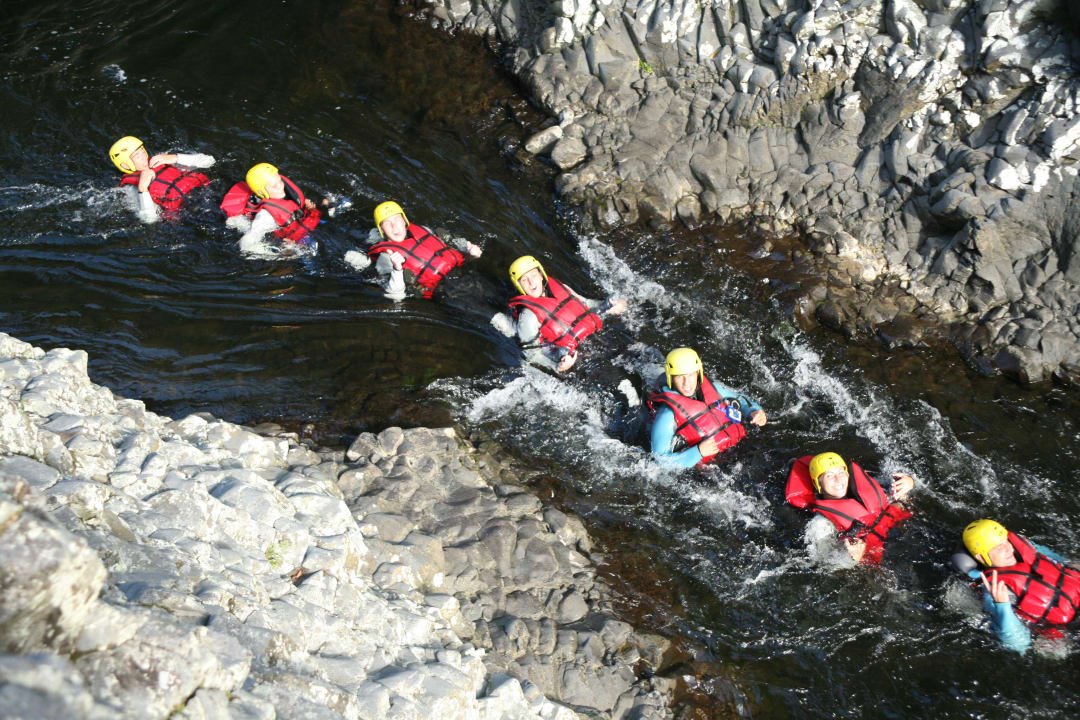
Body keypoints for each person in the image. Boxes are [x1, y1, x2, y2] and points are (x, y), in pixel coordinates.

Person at [953, 519, 1080, 653]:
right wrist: (1002, 605)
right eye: (998, 547)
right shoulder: (995, 590)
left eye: (1005, 541)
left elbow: (1061, 562)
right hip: (1065, 628)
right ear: (981, 557)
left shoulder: (1024, 549)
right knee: (1053, 651)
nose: (1008, 549)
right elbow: (1019, 644)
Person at [785, 452, 914, 564]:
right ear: (818, 484)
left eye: (841, 472)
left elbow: (899, 489)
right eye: (829, 475)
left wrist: (909, 482)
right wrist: (853, 558)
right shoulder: (821, 523)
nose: (838, 479)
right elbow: (823, 560)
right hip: (872, 557)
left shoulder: (867, 486)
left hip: (900, 535)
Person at [647, 347, 766, 468]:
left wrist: (754, 411)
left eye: (691, 375)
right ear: (670, 377)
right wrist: (698, 452)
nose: (686, 383)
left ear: (698, 373)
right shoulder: (667, 415)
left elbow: (742, 400)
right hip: (706, 470)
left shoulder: (713, 388)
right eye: (679, 377)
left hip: (740, 450)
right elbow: (660, 462)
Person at [506, 255, 626, 373]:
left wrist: (610, 305)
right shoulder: (528, 316)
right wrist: (557, 365)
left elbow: (587, 304)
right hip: (573, 359)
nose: (531, 283)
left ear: (541, 275)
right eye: (524, 279)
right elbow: (531, 354)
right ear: (519, 285)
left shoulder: (560, 288)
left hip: (598, 339)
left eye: (533, 274)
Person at [344, 201, 482, 299]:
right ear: (382, 231)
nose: (395, 227)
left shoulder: (424, 230)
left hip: (461, 273)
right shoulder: (386, 257)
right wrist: (397, 269)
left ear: (405, 221)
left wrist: (469, 250)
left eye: (397, 220)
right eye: (387, 223)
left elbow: (451, 243)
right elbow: (395, 296)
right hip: (441, 292)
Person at [220, 163, 322, 253]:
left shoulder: (279, 191)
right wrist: (282, 251)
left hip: (300, 227)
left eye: (280, 181)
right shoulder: (266, 217)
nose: (281, 187)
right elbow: (245, 246)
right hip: (242, 221)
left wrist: (305, 204)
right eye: (274, 186)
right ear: (261, 192)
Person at [108, 136, 214, 222]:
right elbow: (149, 219)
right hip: (186, 214)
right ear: (125, 165)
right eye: (136, 155)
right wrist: (143, 189)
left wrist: (176, 157)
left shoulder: (160, 160)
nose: (143, 155)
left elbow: (210, 161)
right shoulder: (130, 189)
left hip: (206, 192)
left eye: (141, 150)